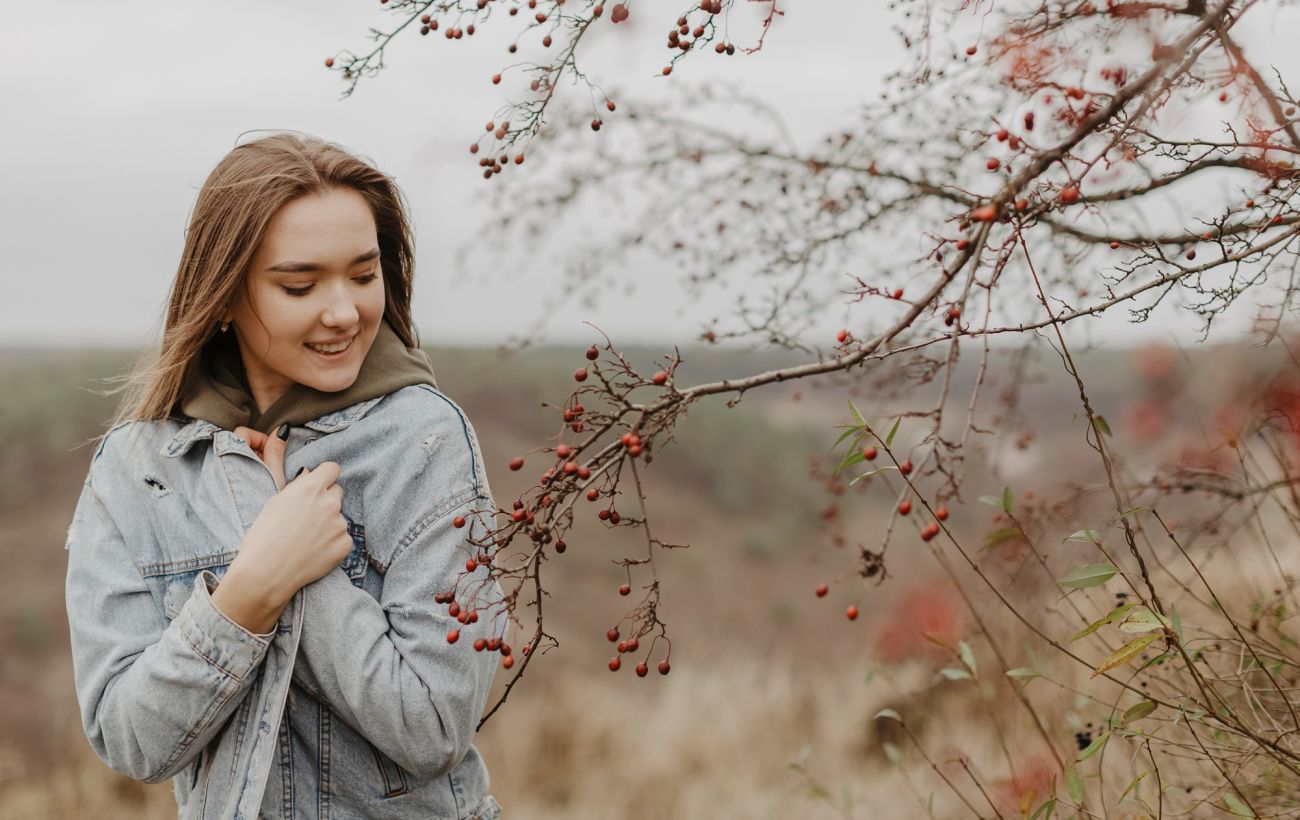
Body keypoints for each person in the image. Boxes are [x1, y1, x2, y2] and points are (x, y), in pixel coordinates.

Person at [63, 132, 507, 819]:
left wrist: (307, 574)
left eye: (363, 275)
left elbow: (433, 726)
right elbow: (129, 740)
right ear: (224, 294)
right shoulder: (138, 469)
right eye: (300, 284)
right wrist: (248, 590)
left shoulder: (423, 440)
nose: (344, 312)